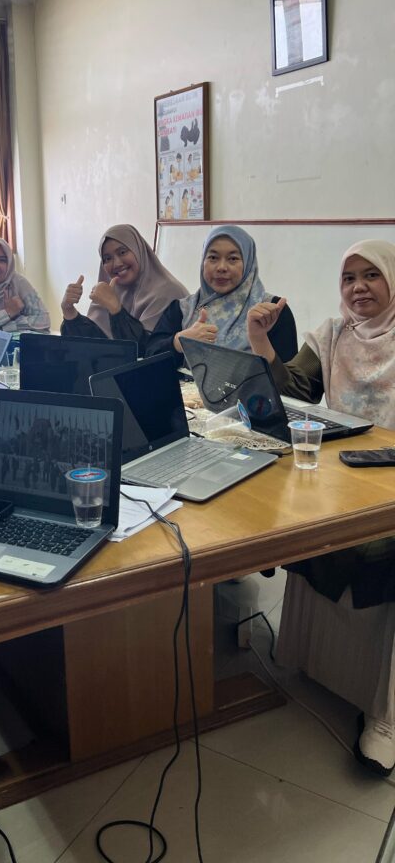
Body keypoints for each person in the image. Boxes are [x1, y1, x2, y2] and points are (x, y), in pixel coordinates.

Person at [247, 239, 395, 776]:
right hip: (342, 476)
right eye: (349, 278)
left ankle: (386, 718)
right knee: (285, 515)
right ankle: (305, 655)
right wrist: (261, 342)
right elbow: (293, 388)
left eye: (371, 275)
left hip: (389, 484)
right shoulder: (332, 334)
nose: (358, 287)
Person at [145, 224, 298, 367]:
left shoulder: (270, 312)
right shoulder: (182, 310)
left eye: (233, 259)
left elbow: (290, 380)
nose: (221, 267)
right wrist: (179, 342)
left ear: (248, 263)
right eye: (213, 257)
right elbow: (149, 357)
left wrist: (260, 339)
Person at [60, 224, 188, 351]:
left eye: (122, 252)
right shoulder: (111, 292)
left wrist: (116, 309)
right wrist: (69, 311)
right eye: (107, 258)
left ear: (138, 250)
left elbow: (145, 352)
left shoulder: (168, 292)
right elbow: (90, 347)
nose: (117, 263)